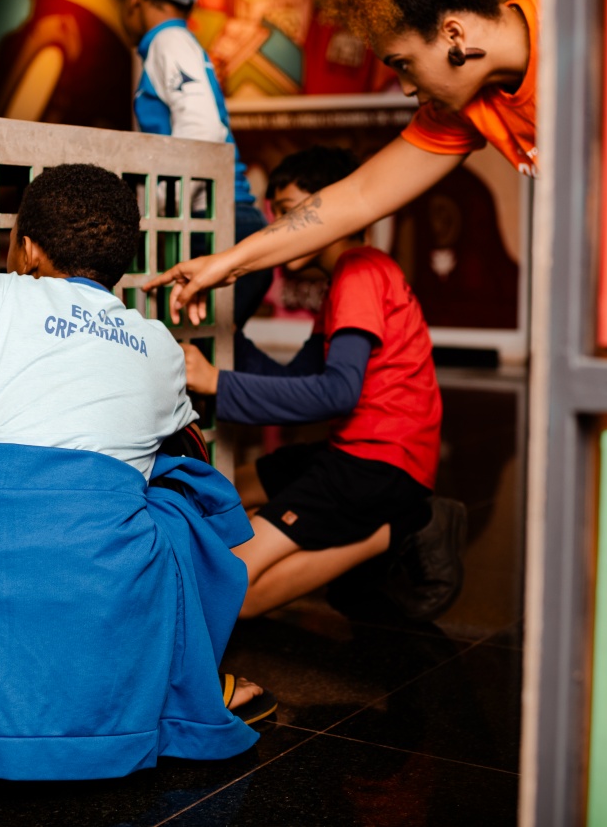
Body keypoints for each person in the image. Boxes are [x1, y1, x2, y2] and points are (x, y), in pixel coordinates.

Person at [0, 164, 272, 781]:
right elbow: (179, 449)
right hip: (102, 589)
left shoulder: (0, 296)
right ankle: (181, 689)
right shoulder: (160, 345)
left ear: (28, 249)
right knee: (177, 494)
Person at [146, 0, 537, 324]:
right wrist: (227, 263)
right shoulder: (459, 110)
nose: (406, 88)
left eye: (404, 65)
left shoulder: (579, 28)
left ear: (454, 36)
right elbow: (358, 195)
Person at [179, 147, 465, 622]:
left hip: (379, 466)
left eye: (291, 214)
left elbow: (335, 394)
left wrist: (217, 382)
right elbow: (298, 382)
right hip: (358, 454)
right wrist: (227, 343)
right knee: (237, 484)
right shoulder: (347, 278)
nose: (279, 234)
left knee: (235, 595)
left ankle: (407, 526)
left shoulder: (360, 271)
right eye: (276, 219)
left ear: (331, 209)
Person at [104, 0, 272, 325]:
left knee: (195, 360)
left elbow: (202, 131)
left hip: (216, 225)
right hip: (230, 223)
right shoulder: (180, 42)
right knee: (215, 357)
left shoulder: (168, 40)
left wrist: (165, 217)